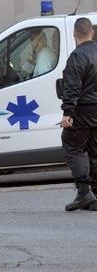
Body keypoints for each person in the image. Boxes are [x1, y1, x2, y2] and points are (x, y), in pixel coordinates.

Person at [60, 17, 97, 211]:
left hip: (83, 110)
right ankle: (95, 194)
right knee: (94, 151)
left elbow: (72, 86)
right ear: (92, 32)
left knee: (73, 146)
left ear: (74, 35)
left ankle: (84, 192)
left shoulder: (77, 56)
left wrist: (67, 112)